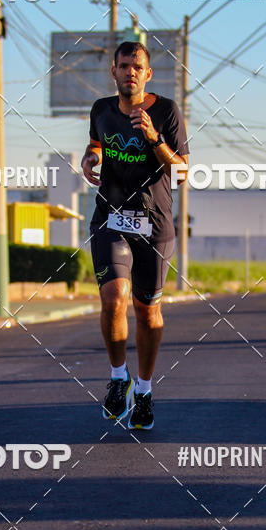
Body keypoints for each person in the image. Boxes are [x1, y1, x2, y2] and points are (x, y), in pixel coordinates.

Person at [81, 41, 189, 430]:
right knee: (114, 297)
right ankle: (117, 378)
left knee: (147, 312)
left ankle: (143, 390)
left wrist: (154, 138)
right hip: (111, 218)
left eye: (137, 66)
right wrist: (90, 157)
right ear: (113, 72)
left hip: (155, 224)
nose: (130, 72)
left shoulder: (166, 112)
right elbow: (96, 143)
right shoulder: (102, 110)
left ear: (148, 74)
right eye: (123, 65)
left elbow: (182, 170)